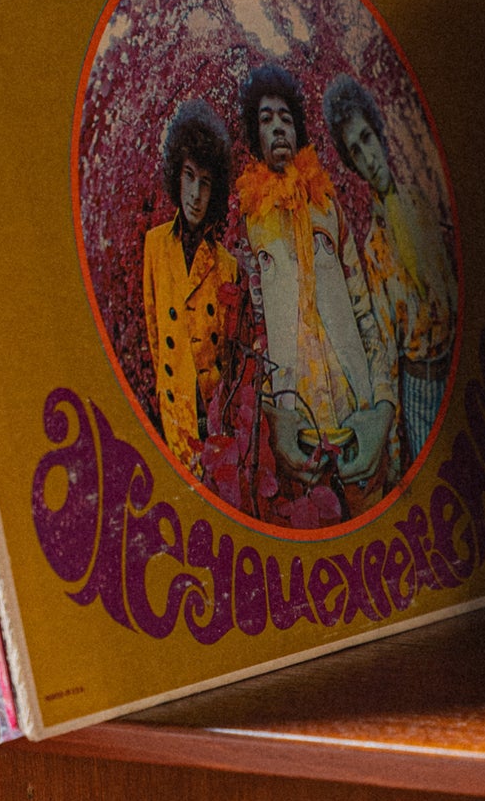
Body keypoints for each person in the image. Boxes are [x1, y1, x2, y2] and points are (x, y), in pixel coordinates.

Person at [236, 64, 397, 507]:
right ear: (256, 134)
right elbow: (257, 335)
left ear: (298, 131)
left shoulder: (329, 207)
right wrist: (274, 420)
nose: (278, 126)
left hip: (356, 426)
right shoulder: (251, 226)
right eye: (266, 119)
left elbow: (365, 315)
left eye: (286, 118)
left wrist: (381, 410)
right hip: (300, 440)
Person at [323, 76, 458, 466]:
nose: (368, 158)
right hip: (419, 392)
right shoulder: (373, 251)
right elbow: (386, 352)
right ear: (352, 164)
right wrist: (396, 456)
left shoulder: (422, 204)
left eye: (367, 139)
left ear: (379, 136)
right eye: (355, 151)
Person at [141, 102, 246, 473]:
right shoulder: (154, 246)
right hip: (174, 414)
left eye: (206, 182)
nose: (196, 193)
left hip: (214, 421)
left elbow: (229, 357)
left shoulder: (227, 265)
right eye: (189, 176)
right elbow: (156, 335)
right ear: (176, 175)